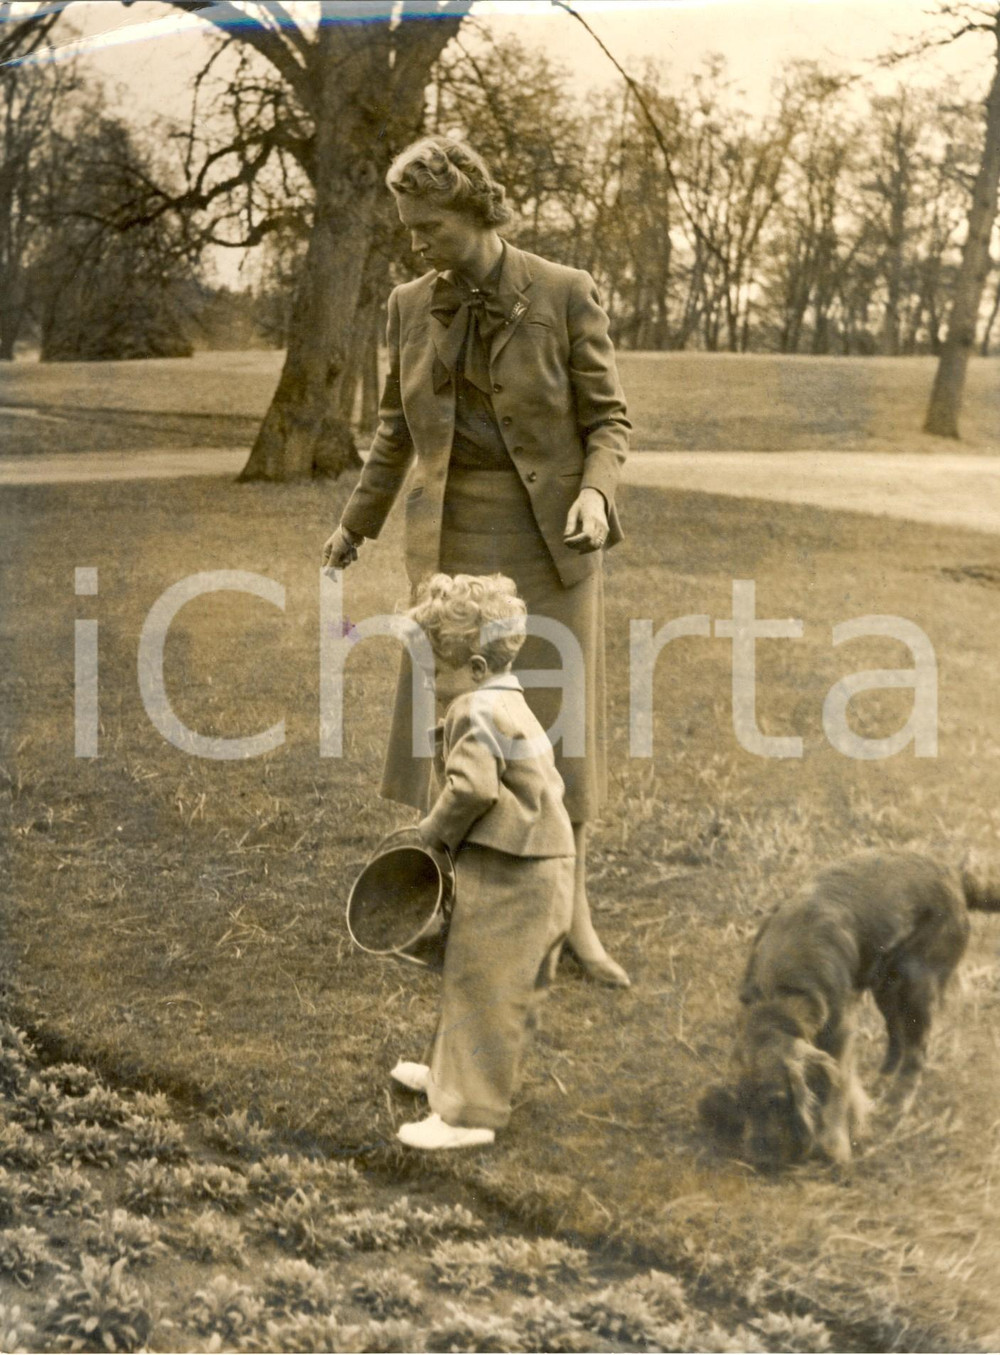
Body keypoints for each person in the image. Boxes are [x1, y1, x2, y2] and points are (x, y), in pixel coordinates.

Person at [322, 134, 630, 988]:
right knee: (453, 733)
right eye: (409, 230)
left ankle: (574, 924)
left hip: (550, 546)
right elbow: (395, 428)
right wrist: (358, 523)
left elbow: (610, 420)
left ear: (481, 214)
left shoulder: (566, 293)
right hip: (450, 554)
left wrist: (598, 496)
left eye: (433, 229)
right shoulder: (409, 303)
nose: (418, 245)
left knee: (556, 737)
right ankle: (446, 913)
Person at [391, 573, 575, 1150]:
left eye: (437, 671)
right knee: (469, 974)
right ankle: (450, 1080)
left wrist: (430, 835)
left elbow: (472, 790)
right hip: (529, 861)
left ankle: (468, 1116)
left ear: (473, 666)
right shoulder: (509, 700)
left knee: (486, 988)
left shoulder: (473, 707)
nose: (433, 683)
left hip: (514, 870)